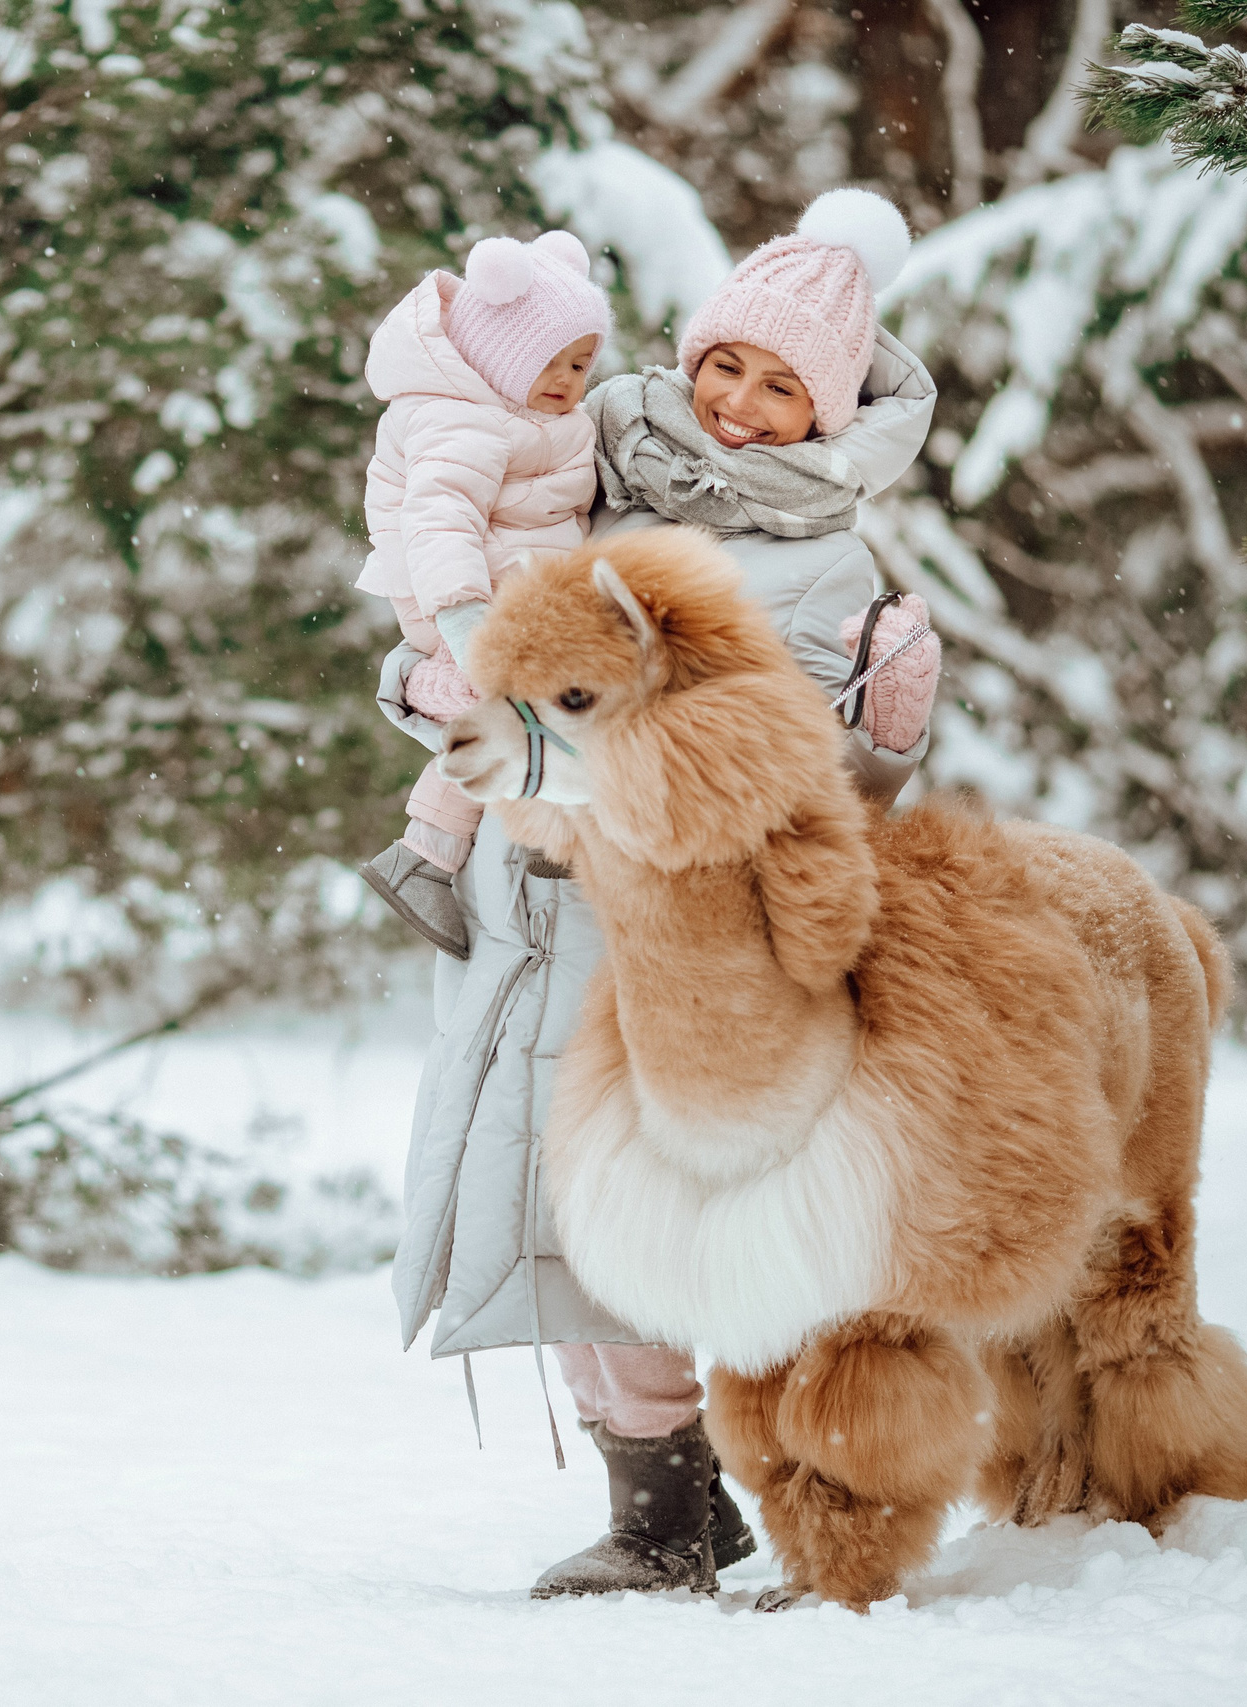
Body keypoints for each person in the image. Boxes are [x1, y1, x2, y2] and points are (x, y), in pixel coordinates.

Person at [383, 189, 943, 1600]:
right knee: (549, 1212)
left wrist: (887, 734)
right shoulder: (587, 463)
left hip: (672, 954)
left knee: (678, 1226)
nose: (741, 404)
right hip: (522, 918)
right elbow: (467, 626)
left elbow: (786, 768)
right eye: (726, 363)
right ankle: (662, 1509)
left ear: (832, 410)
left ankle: (799, 1496)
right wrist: (422, 685)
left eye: (782, 385)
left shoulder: (825, 558)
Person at [352, 230, 613, 960]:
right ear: (502, 354)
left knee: (544, 703)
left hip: (514, 588)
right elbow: (438, 522)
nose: (568, 379)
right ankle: (433, 852)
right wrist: (469, 627)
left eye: (581, 363)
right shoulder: (459, 417)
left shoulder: (531, 416)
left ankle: (456, 853)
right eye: (551, 361)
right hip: (460, 593)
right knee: (513, 707)